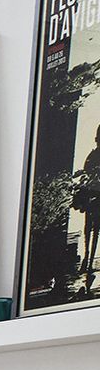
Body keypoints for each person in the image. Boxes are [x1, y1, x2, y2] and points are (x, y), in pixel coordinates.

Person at [78, 122, 100, 288]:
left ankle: (89, 258)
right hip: (93, 197)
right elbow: (86, 175)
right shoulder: (92, 157)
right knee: (90, 228)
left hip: (95, 197)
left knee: (93, 229)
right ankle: (87, 257)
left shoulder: (92, 157)